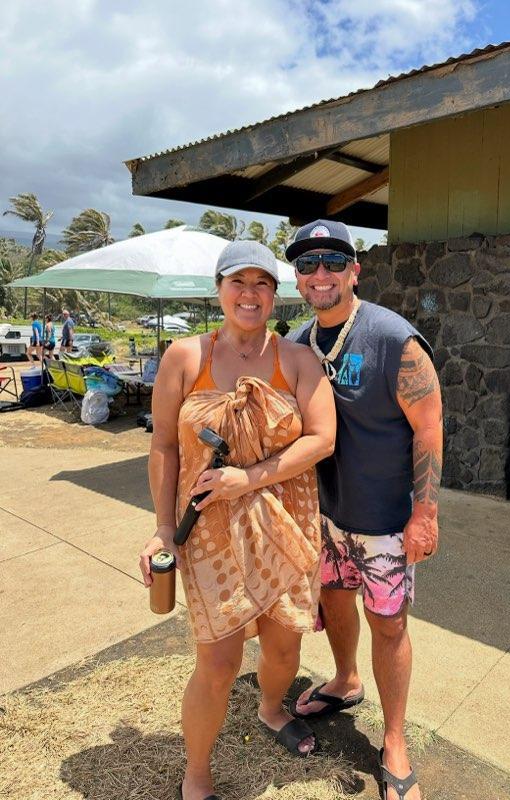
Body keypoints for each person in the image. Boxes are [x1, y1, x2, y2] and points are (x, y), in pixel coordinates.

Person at [139, 240, 336, 800]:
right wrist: (162, 527)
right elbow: (164, 445)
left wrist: (246, 479)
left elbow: (323, 438)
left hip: (286, 523)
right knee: (219, 661)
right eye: (238, 282)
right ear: (219, 290)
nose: (250, 294)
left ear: (275, 295)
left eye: (262, 284)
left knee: (284, 648)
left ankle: (271, 708)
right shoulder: (185, 358)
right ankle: (197, 772)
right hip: (209, 531)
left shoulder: (297, 360)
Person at [285, 220, 443, 800]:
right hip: (324, 515)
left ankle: (394, 739)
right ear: (298, 279)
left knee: (389, 623)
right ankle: (346, 679)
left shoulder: (392, 339)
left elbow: (429, 427)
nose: (320, 273)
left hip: (384, 521)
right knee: (333, 600)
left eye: (333, 261)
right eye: (307, 264)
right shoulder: (296, 342)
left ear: (354, 271)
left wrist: (424, 514)